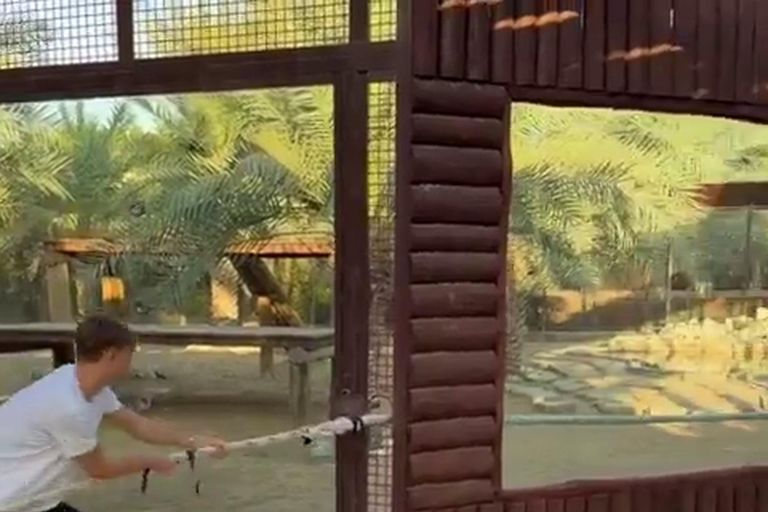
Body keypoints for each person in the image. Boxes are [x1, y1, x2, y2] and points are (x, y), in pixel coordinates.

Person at [0, 314, 228, 512]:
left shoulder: (80, 382)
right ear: (111, 354)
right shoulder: (68, 407)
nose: (131, 361)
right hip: (12, 504)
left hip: (35, 502)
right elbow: (100, 469)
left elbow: (137, 425)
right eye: (129, 354)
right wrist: (151, 461)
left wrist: (194, 440)